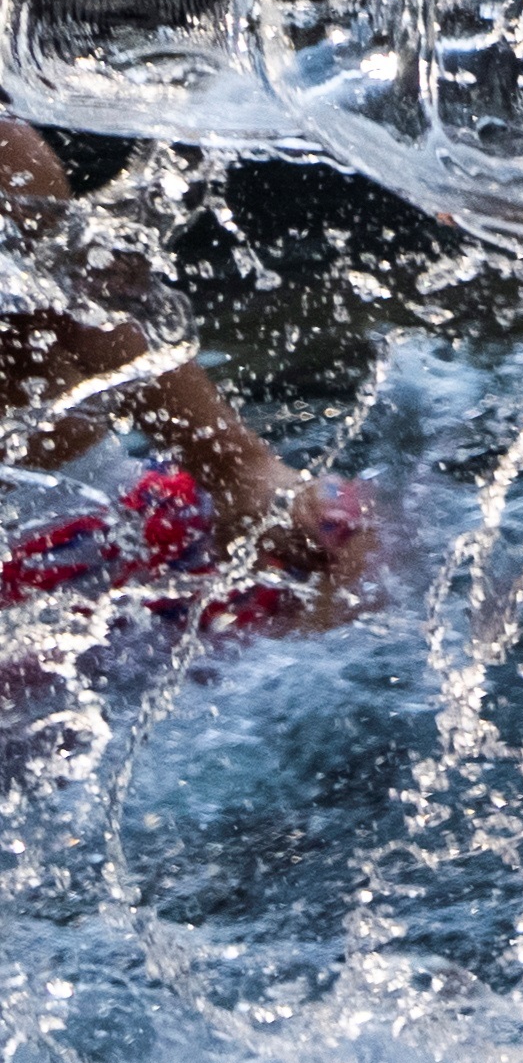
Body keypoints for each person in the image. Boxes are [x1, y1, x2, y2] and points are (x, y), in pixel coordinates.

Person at [5, 119, 375, 703]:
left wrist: (238, 470)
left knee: (364, 541)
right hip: (60, 549)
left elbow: (71, 298)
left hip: (69, 529)